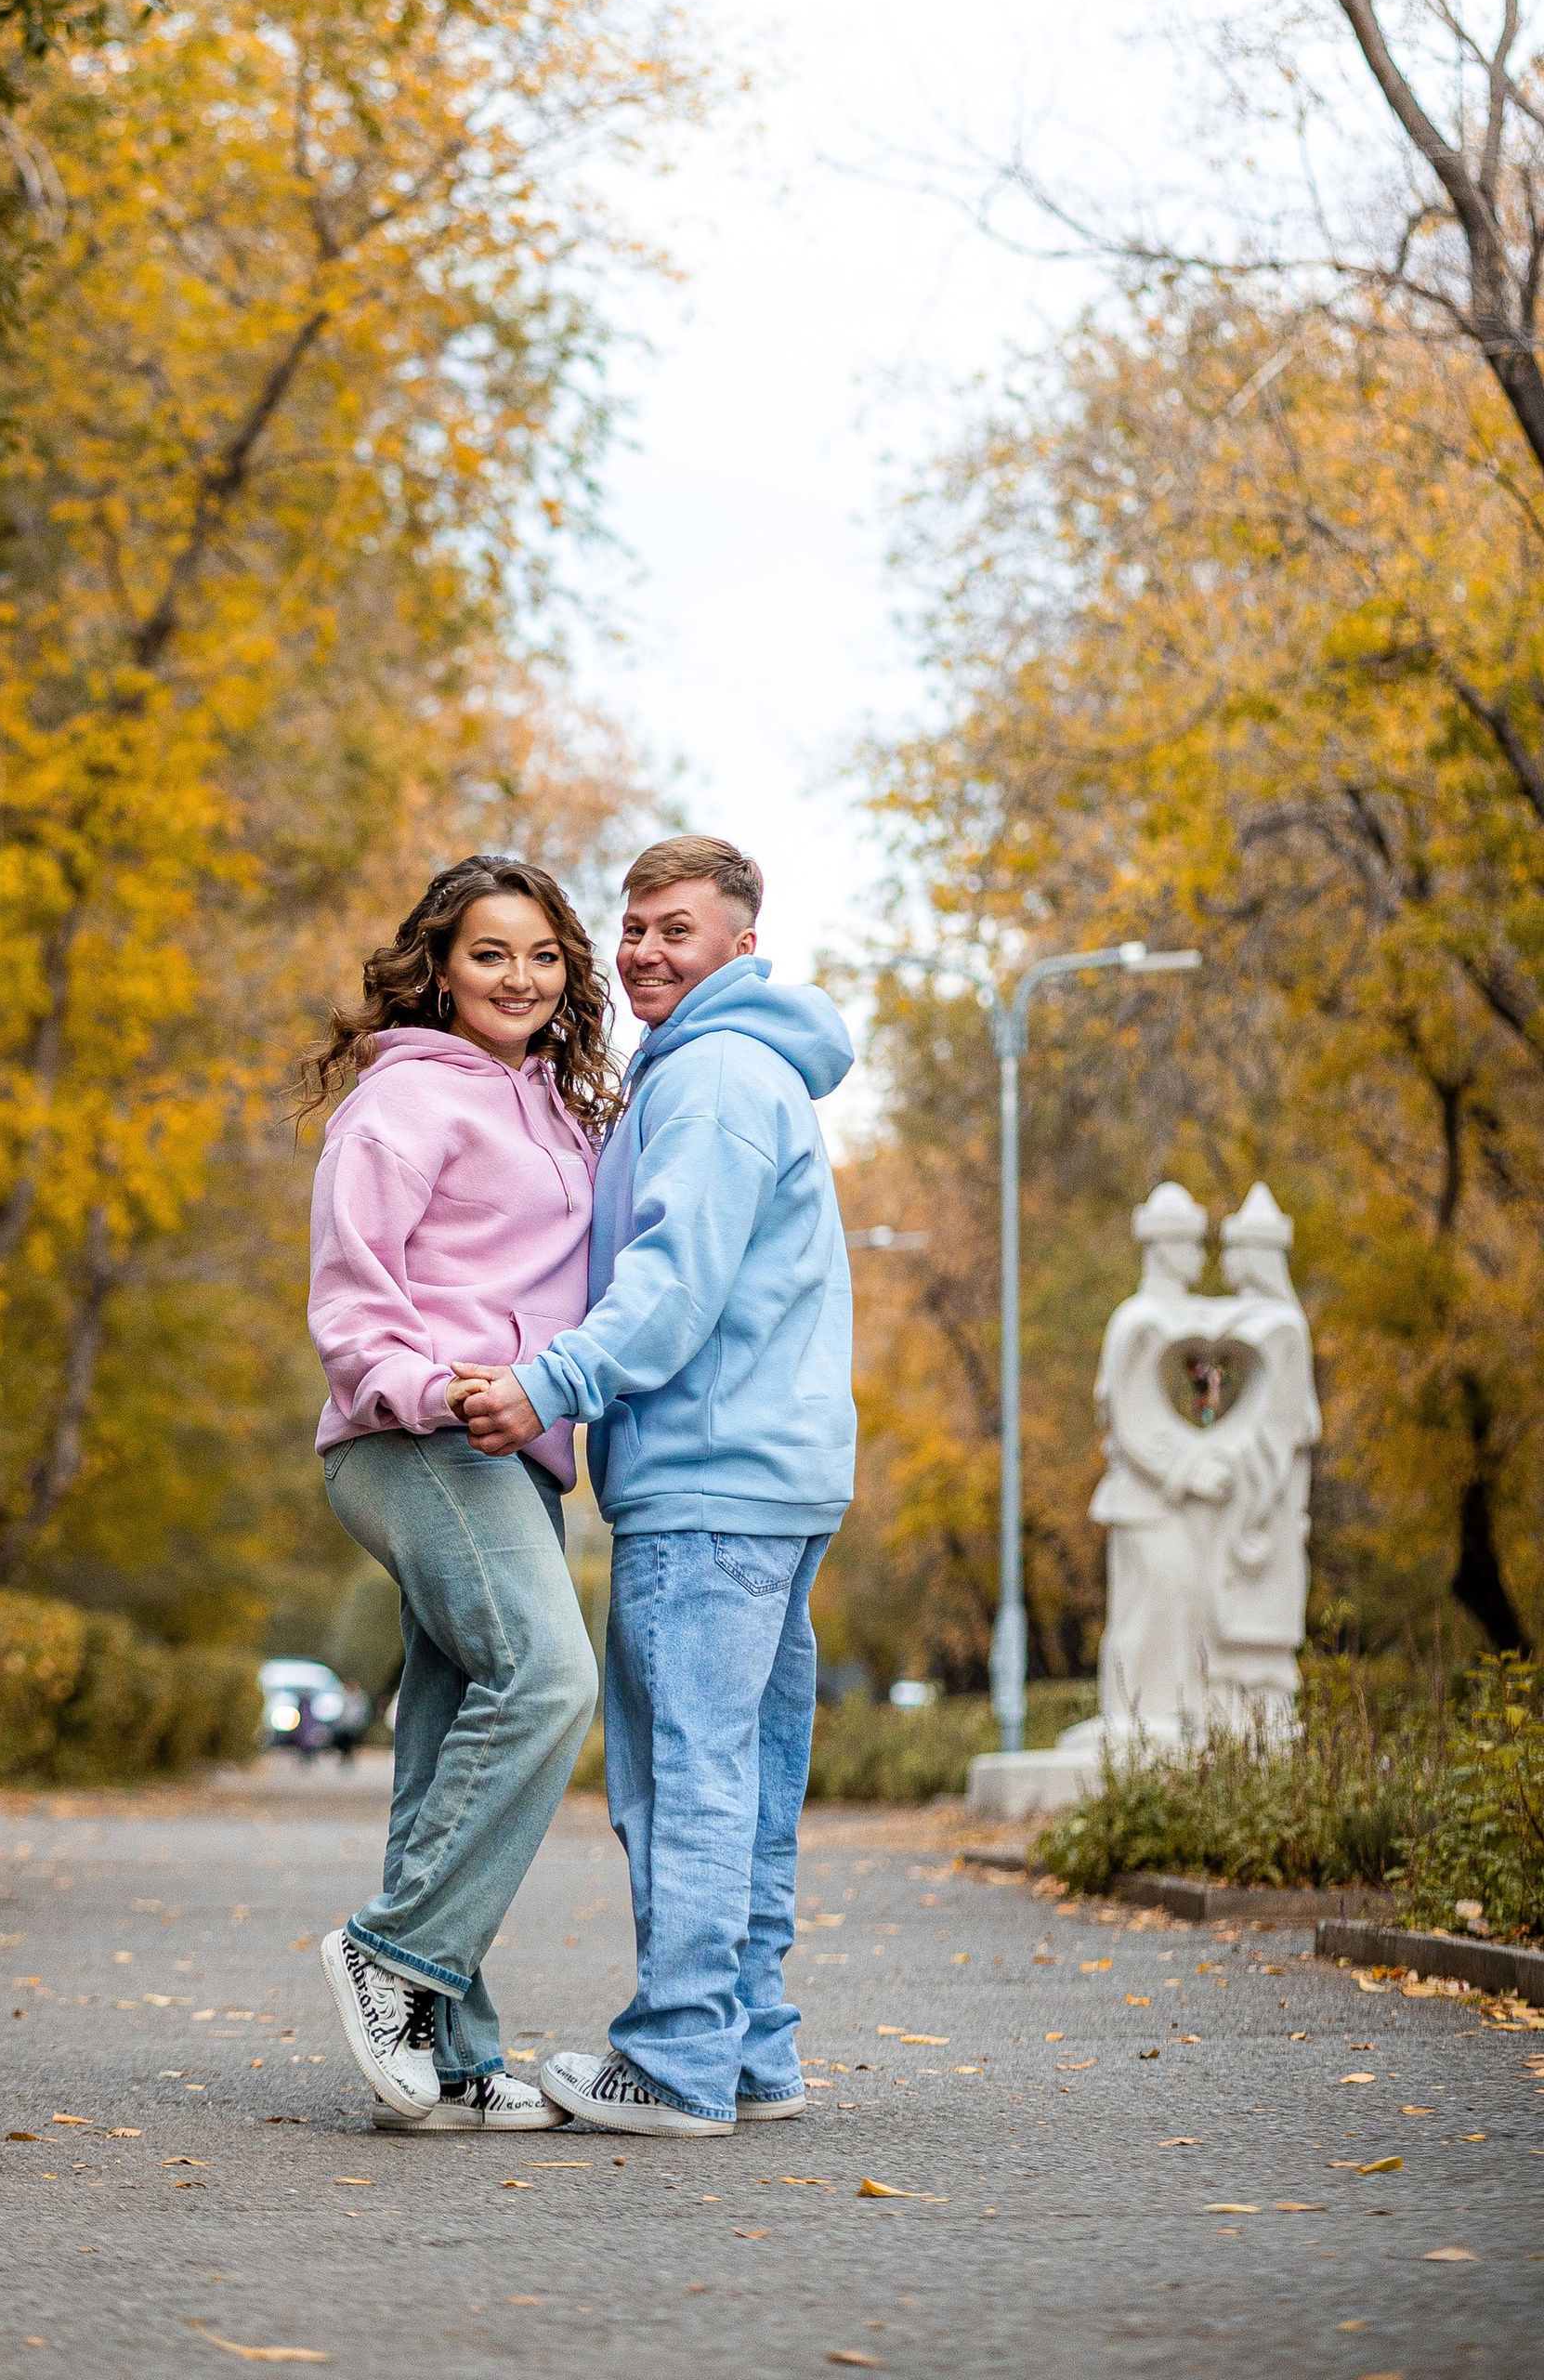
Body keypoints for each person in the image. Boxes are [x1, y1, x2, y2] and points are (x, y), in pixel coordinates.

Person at [453, 834, 855, 2138]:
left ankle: (679, 2060)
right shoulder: (734, 1070)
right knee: (741, 1772)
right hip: (771, 1479)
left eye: (674, 929)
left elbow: (673, 1284)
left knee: (684, 1775)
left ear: (743, 943)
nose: (641, 951)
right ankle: (751, 2051)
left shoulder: (716, 1076)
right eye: (631, 928)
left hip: (708, 1478)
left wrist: (546, 1383)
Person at [304, 853, 619, 2133]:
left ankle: (449, 2057)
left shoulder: (550, 1103)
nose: (521, 978)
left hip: (509, 1456)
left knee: (447, 1745)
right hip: (414, 1442)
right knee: (550, 1680)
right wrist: (440, 1393)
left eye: (543, 956)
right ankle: (393, 1954)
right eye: (491, 953)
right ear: (439, 965)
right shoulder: (399, 1108)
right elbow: (351, 1307)